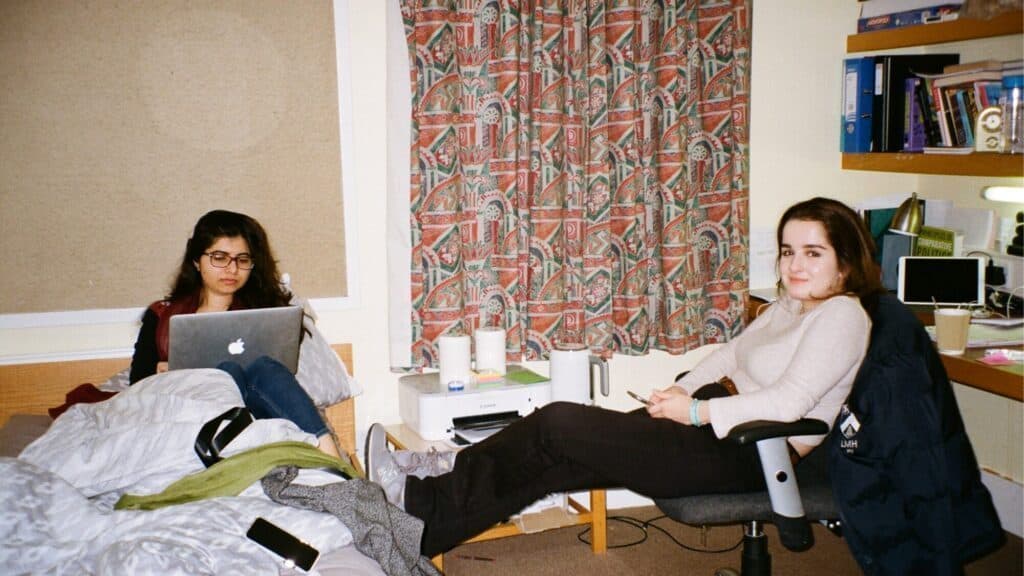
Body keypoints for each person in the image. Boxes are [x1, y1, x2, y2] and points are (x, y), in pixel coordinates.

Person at [365, 197, 886, 556]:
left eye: (812, 253)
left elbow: (791, 403)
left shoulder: (843, 315)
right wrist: (685, 389)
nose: (795, 264)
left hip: (752, 453)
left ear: (845, 260)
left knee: (557, 424)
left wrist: (699, 411)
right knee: (558, 460)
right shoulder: (789, 306)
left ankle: (423, 495)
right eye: (789, 251)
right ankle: (427, 524)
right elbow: (729, 356)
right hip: (712, 427)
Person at [129, 209, 340, 458]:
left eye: (242, 259)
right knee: (227, 371)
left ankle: (330, 456)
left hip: (254, 412)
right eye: (219, 257)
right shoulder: (161, 315)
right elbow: (137, 383)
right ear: (197, 260)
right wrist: (161, 372)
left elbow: (279, 374)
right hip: (193, 412)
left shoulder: (264, 314)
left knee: (264, 369)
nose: (232, 269)